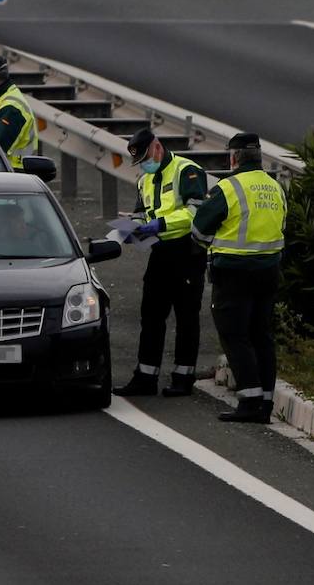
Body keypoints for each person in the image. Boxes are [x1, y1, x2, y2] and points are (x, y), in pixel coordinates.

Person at [191, 132, 287, 423]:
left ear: (233, 158)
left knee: (235, 335)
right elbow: (282, 224)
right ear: (259, 157)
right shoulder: (276, 187)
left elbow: (199, 230)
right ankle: (266, 404)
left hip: (234, 272)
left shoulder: (228, 188)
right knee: (262, 336)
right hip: (269, 271)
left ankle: (250, 401)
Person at [113, 128, 210, 398]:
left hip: (186, 253)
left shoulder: (187, 171)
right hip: (160, 252)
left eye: (146, 157)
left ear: (157, 147)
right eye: (140, 160)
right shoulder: (145, 179)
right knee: (151, 315)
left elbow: (195, 213)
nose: (145, 163)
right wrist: (132, 228)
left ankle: (183, 376)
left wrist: (159, 224)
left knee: (186, 316)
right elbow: (141, 213)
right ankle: (145, 377)